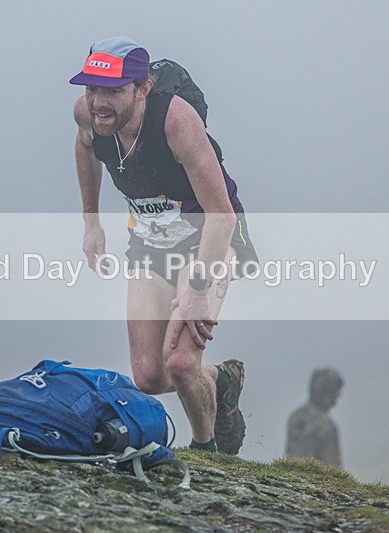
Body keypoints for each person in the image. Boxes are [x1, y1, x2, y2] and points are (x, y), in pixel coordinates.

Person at [70, 36, 257, 454]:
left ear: (142, 90)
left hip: (212, 235)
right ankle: (222, 381)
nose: (99, 102)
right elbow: (84, 147)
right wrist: (91, 221)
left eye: (113, 91)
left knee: (180, 362)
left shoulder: (176, 123)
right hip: (151, 243)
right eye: (91, 88)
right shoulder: (88, 113)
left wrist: (197, 286)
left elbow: (221, 215)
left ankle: (209, 452)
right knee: (150, 376)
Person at [285, 368, 344, 467]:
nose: (339, 395)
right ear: (327, 390)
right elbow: (332, 467)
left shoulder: (296, 416)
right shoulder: (326, 425)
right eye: (336, 389)